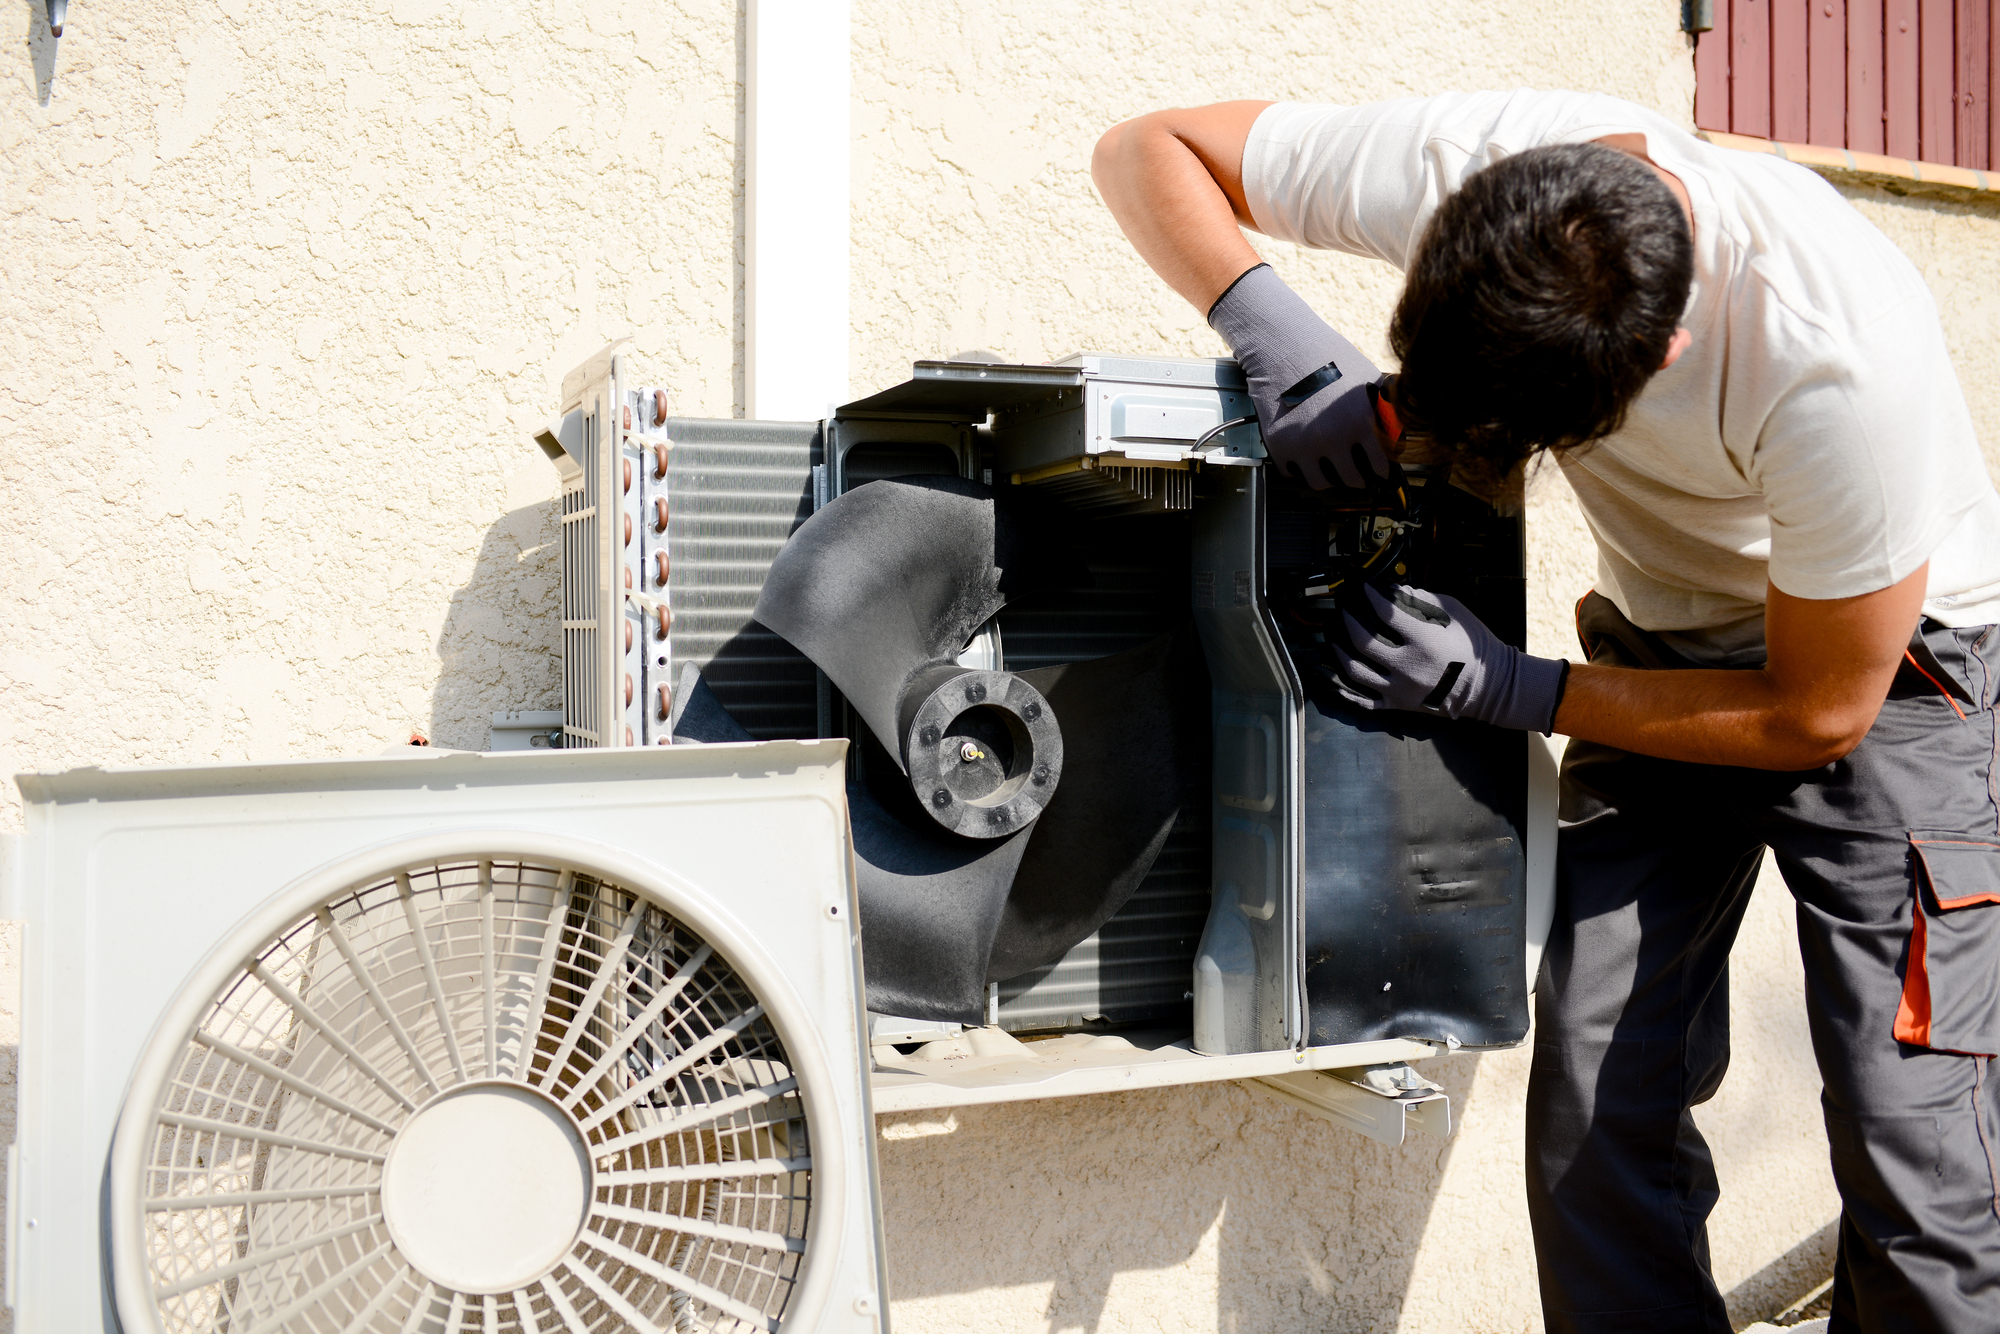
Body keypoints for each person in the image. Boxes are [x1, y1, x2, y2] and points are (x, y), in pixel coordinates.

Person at [1091, 90, 2000, 1333]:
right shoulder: (1473, 166)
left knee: (1912, 1143)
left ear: (1661, 354)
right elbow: (1150, 148)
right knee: (1592, 1099)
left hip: (1886, 676)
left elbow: (1813, 712)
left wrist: (1518, 689)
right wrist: (1272, 326)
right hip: (1660, 645)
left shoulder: (1839, 357)